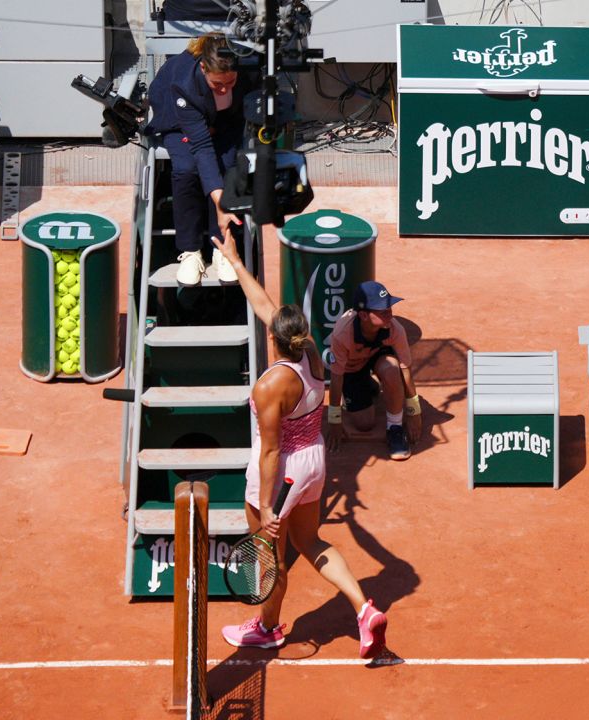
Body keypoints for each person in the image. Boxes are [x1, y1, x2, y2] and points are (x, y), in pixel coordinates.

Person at [211, 235, 388, 658]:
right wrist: (235, 262)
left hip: (282, 470)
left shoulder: (271, 385)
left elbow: (270, 451)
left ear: (274, 340)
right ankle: (364, 610)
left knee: (270, 555)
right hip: (313, 460)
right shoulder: (310, 353)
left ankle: (267, 628)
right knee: (310, 540)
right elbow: (266, 306)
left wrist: (270, 508)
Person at [146, 32, 247, 286]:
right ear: (203, 68)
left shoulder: (246, 71)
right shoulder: (183, 84)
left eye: (231, 82)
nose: (225, 89)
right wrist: (221, 202)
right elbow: (201, 146)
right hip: (178, 123)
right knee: (186, 170)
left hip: (223, 124)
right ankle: (190, 250)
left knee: (229, 164)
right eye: (218, 85)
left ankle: (223, 245)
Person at [325, 281, 423, 461]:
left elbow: (405, 368)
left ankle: (394, 429)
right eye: (382, 311)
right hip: (351, 369)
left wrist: (413, 411)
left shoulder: (394, 328)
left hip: (378, 356)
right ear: (363, 315)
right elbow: (336, 376)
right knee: (365, 423)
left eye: (389, 307)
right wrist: (334, 418)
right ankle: (367, 385)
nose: (390, 313)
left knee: (392, 370)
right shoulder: (342, 334)